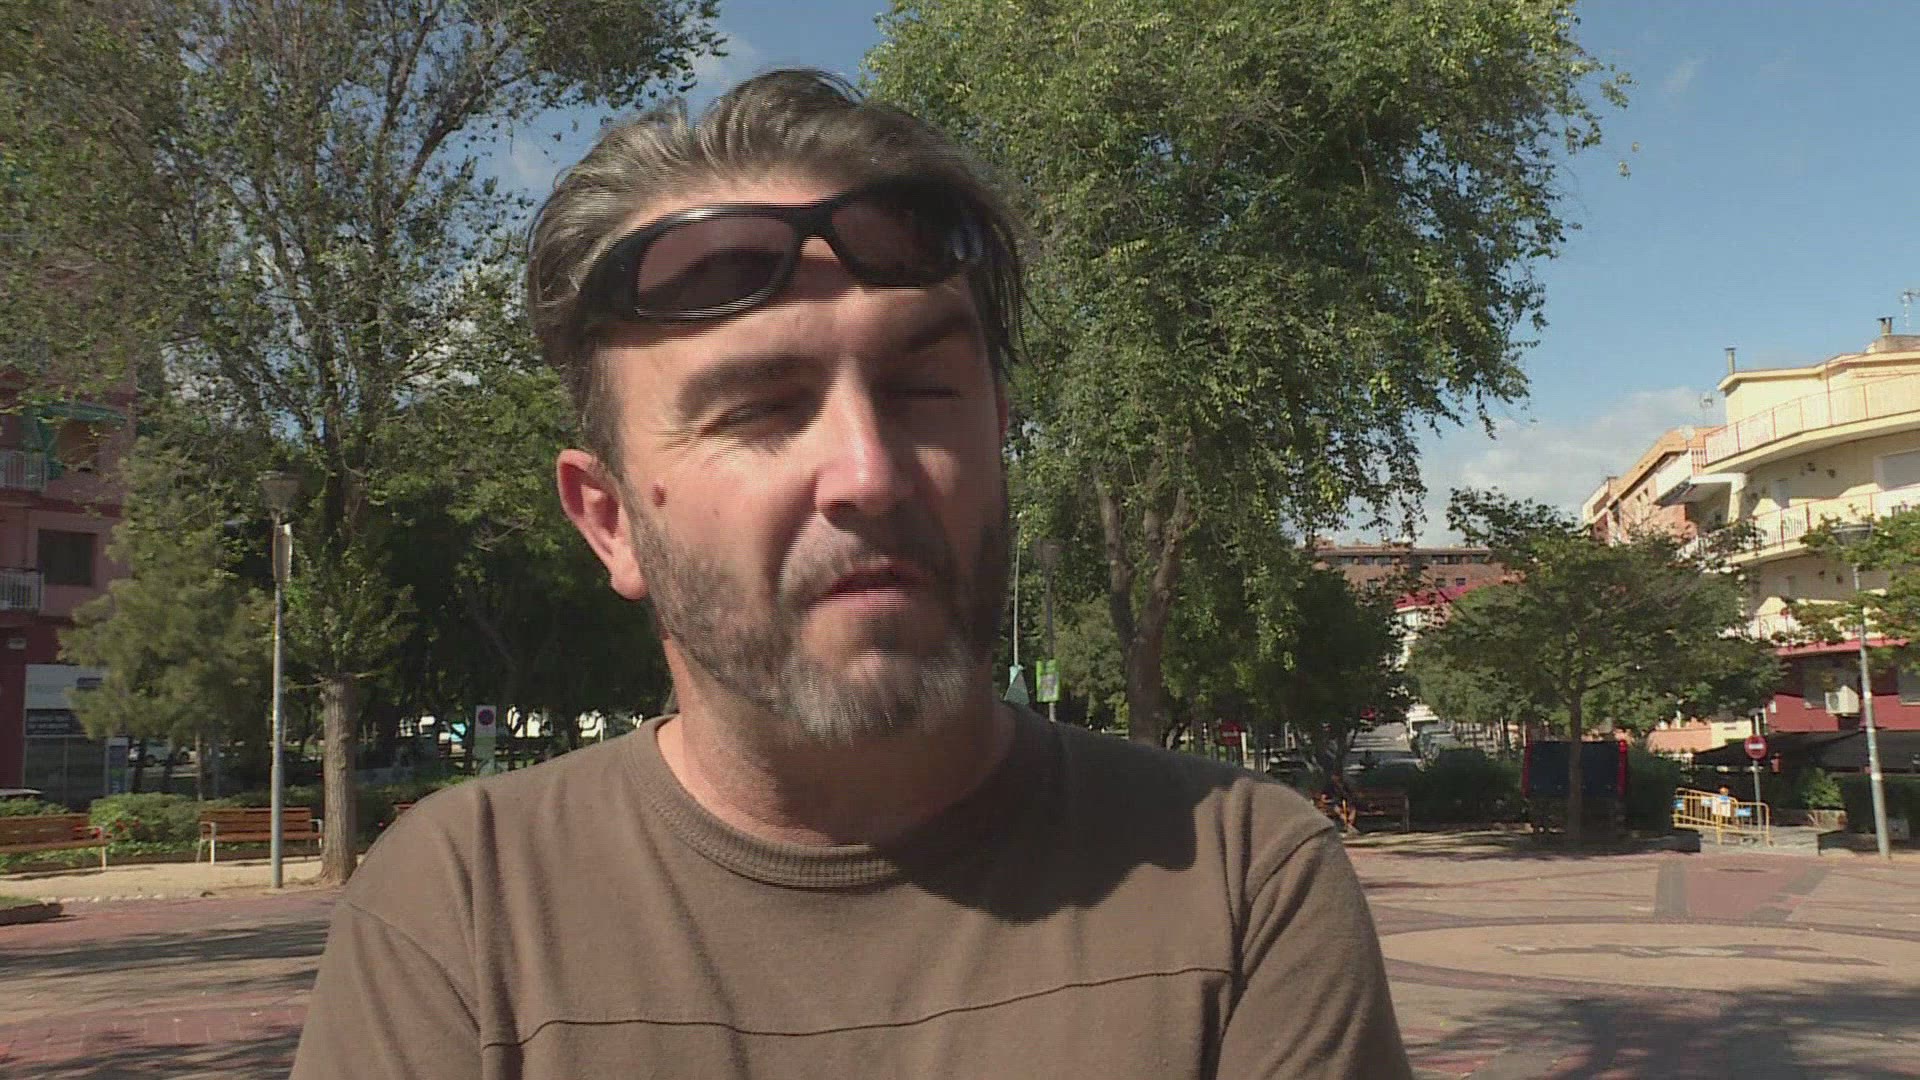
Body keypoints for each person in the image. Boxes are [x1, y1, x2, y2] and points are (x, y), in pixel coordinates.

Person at [292, 69, 1409, 1079]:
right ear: (611, 522)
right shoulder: (460, 914)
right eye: (759, 409)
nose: (871, 474)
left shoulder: (1241, 880)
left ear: (997, 437)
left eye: (924, 391)